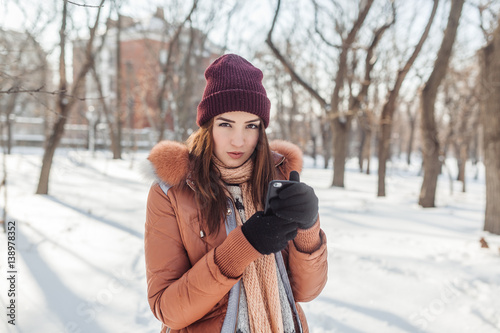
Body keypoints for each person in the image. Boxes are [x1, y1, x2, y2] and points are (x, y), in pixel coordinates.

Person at [145, 54, 328, 333]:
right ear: (208, 126)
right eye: (226, 124)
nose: (239, 140)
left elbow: (305, 292)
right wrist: (243, 247)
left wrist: (308, 229)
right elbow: (168, 309)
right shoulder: (172, 191)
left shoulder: (278, 178)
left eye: (251, 126)